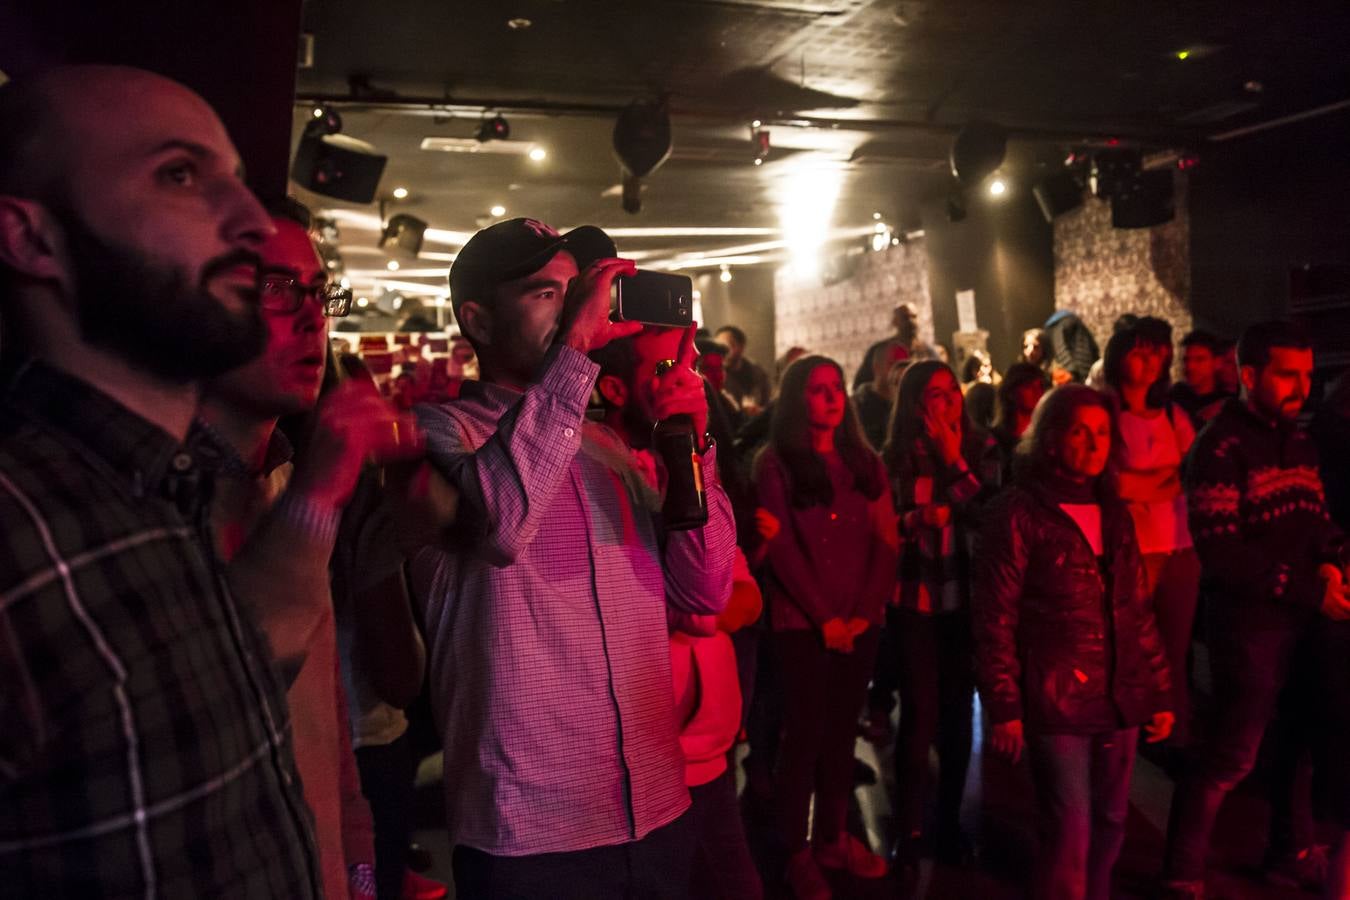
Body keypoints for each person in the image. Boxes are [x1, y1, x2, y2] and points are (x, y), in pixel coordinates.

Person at [0, 65, 321, 896]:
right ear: (32, 240)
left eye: (239, 182)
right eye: (180, 175)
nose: (253, 223)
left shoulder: (162, 487)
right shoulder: (19, 527)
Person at [408, 218, 735, 899]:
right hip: (530, 830)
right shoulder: (442, 432)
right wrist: (579, 349)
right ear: (478, 319)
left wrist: (692, 443)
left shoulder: (606, 446)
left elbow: (705, 589)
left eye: (574, 293)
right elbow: (502, 523)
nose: (571, 309)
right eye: (546, 293)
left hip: (655, 803)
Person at [199, 200, 429, 900]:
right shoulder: (154, 496)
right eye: (275, 289)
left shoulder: (284, 476)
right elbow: (213, 706)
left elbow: (329, 731)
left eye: (318, 292)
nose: (312, 318)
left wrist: (355, 867)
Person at [1161, 321, 1350, 899]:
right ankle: (1182, 871)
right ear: (1249, 375)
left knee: (1295, 745)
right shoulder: (1219, 446)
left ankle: (1284, 854)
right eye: (1288, 374)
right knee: (1230, 755)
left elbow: (1314, 521)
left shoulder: (1296, 440)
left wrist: (1334, 559)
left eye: (1308, 375)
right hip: (1251, 627)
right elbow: (1223, 557)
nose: (1302, 387)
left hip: (1302, 620)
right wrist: (1309, 585)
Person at [975, 385, 1174, 900]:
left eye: (1103, 432)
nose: (1093, 443)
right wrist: (1003, 705)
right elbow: (995, 616)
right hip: (1056, 693)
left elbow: (1135, 608)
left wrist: (1157, 688)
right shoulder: (1017, 513)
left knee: (1110, 820)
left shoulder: (1115, 512)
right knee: (1070, 826)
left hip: (1119, 690)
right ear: (1050, 438)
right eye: (1080, 431)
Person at [754, 355, 899, 900]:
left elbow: (886, 540)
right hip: (802, 623)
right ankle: (795, 851)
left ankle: (834, 838)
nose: (833, 397)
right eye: (818, 390)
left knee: (842, 734)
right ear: (797, 399)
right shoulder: (777, 464)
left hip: (860, 621)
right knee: (804, 737)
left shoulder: (865, 462)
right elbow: (783, 549)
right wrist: (827, 619)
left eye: (836, 387)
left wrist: (863, 611)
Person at [882, 360, 1000, 868]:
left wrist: (956, 462)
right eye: (936, 394)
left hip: (966, 601)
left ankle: (948, 822)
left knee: (956, 717)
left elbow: (992, 516)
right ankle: (908, 825)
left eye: (953, 390)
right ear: (915, 404)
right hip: (913, 600)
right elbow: (884, 523)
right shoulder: (893, 458)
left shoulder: (983, 449)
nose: (950, 400)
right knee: (919, 713)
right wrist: (917, 519)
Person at [1101, 323, 1200, 752]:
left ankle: (1174, 736)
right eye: (1141, 353)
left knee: (1175, 648)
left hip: (1178, 542)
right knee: (1134, 645)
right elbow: (1111, 483)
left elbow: (1193, 473)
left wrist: (1147, 482)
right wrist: (1161, 479)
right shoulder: (1106, 411)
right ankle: (1133, 732)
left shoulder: (1173, 413)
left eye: (1158, 353)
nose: (1151, 362)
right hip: (1134, 547)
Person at [853, 302, 938, 392]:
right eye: (905, 317)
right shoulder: (879, 351)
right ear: (894, 322)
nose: (911, 321)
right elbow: (859, 386)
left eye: (914, 316)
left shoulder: (928, 351)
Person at [991, 362, 1050, 484]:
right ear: (1011, 392)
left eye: (1040, 386)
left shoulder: (1046, 437)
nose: (1037, 392)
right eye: (1029, 386)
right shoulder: (995, 439)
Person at [1169, 329, 1233, 429]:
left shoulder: (1227, 404)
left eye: (1200, 360)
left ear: (1217, 363)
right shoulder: (1174, 396)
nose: (1190, 366)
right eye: (1186, 359)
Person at [853, 338, 910, 450]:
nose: (900, 371)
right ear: (877, 366)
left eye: (905, 365)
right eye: (893, 364)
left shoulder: (911, 403)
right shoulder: (857, 406)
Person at [716, 324, 771, 416]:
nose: (723, 351)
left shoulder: (757, 372)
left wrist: (760, 412)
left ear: (741, 346)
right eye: (719, 346)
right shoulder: (714, 374)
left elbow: (767, 403)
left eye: (728, 345)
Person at [1042, 310, 1100, 384]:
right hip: (1086, 376)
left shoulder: (1054, 328)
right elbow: (1088, 348)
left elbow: (1060, 349)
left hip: (1078, 379)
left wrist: (1072, 373)